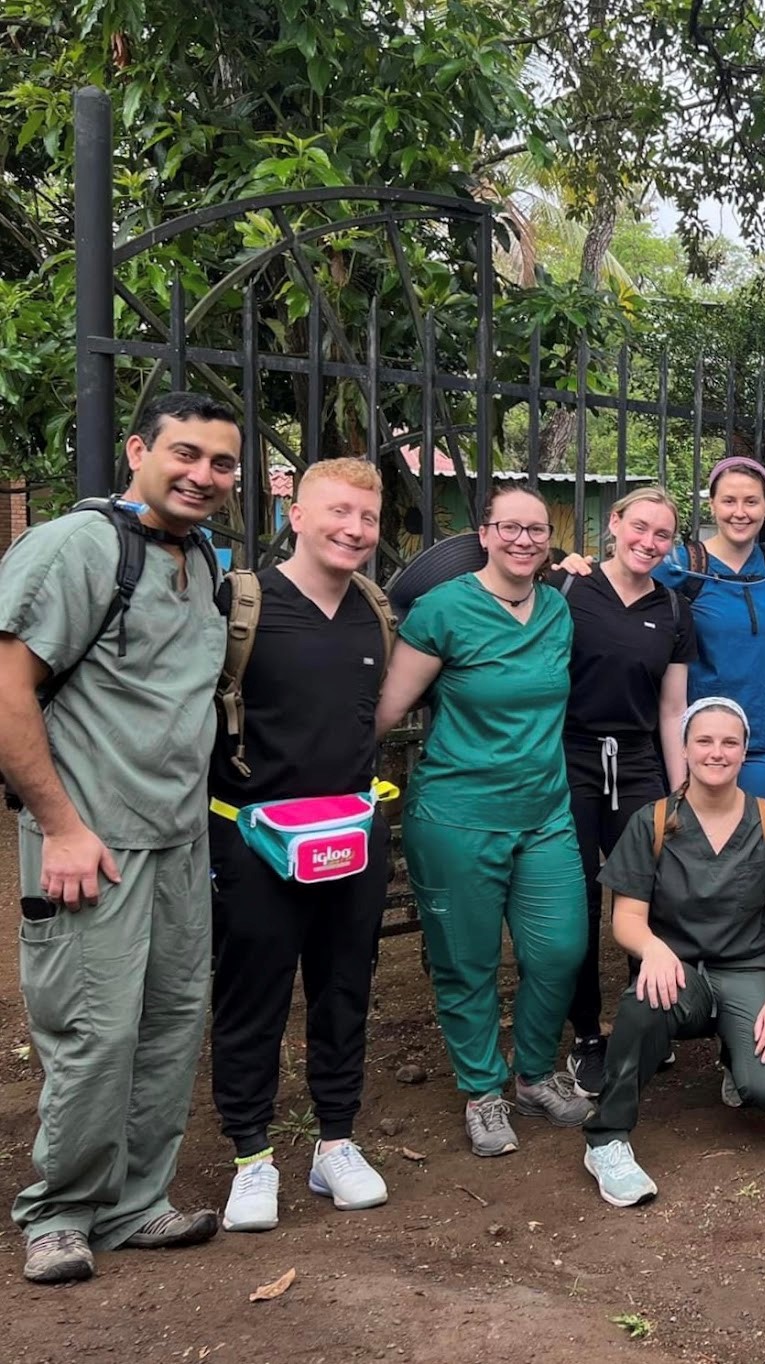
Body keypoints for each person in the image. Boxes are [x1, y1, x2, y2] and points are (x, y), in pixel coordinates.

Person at [0, 391, 239, 1284]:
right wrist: (58, 825)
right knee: (93, 1031)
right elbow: (8, 688)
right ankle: (59, 1212)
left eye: (221, 463)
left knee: (173, 1021)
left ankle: (137, 1201)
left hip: (180, 839)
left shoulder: (202, 555)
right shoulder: (76, 547)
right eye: (185, 454)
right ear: (138, 448)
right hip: (90, 842)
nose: (202, 476)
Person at [376, 484, 590, 1159]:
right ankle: (482, 1089)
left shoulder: (556, 609)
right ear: (486, 533)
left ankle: (531, 1074)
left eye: (537, 529)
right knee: (464, 963)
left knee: (559, 950)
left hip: (545, 811)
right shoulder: (444, 609)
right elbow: (387, 710)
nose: (525, 539)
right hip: (458, 814)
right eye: (511, 527)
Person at [209, 458, 396, 1233]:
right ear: (295, 513)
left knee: (345, 988)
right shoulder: (238, 602)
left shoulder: (376, 609)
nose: (354, 529)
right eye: (339, 512)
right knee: (252, 993)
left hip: (349, 834)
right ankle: (252, 1156)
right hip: (253, 834)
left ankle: (335, 1143)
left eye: (368, 518)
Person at [580, 699, 765, 1207]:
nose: (717, 752)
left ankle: (739, 1055)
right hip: (680, 971)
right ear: (684, 749)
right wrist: (653, 950)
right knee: (643, 1001)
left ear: (745, 751)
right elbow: (626, 918)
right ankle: (608, 1139)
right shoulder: (654, 822)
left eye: (730, 742)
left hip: (749, 970)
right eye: (704, 741)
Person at [547, 486, 694, 1099]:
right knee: (576, 900)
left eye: (662, 535)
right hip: (571, 758)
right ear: (614, 523)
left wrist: (679, 786)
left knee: (646, 895)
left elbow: (673, 708)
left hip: (636, 763)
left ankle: (641, 1020)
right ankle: (586, 1035)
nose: (648, 543)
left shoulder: (675, 609)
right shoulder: (569, 588)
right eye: (639, 528)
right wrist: (560, 556)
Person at [654, 457, 765, 801]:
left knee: (757, 838)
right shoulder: (681, 565)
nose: (740, 512)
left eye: (751, 501)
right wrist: (576, 566)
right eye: (729, 501)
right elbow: (622, 588)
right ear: (712, 504)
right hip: (704, 740)